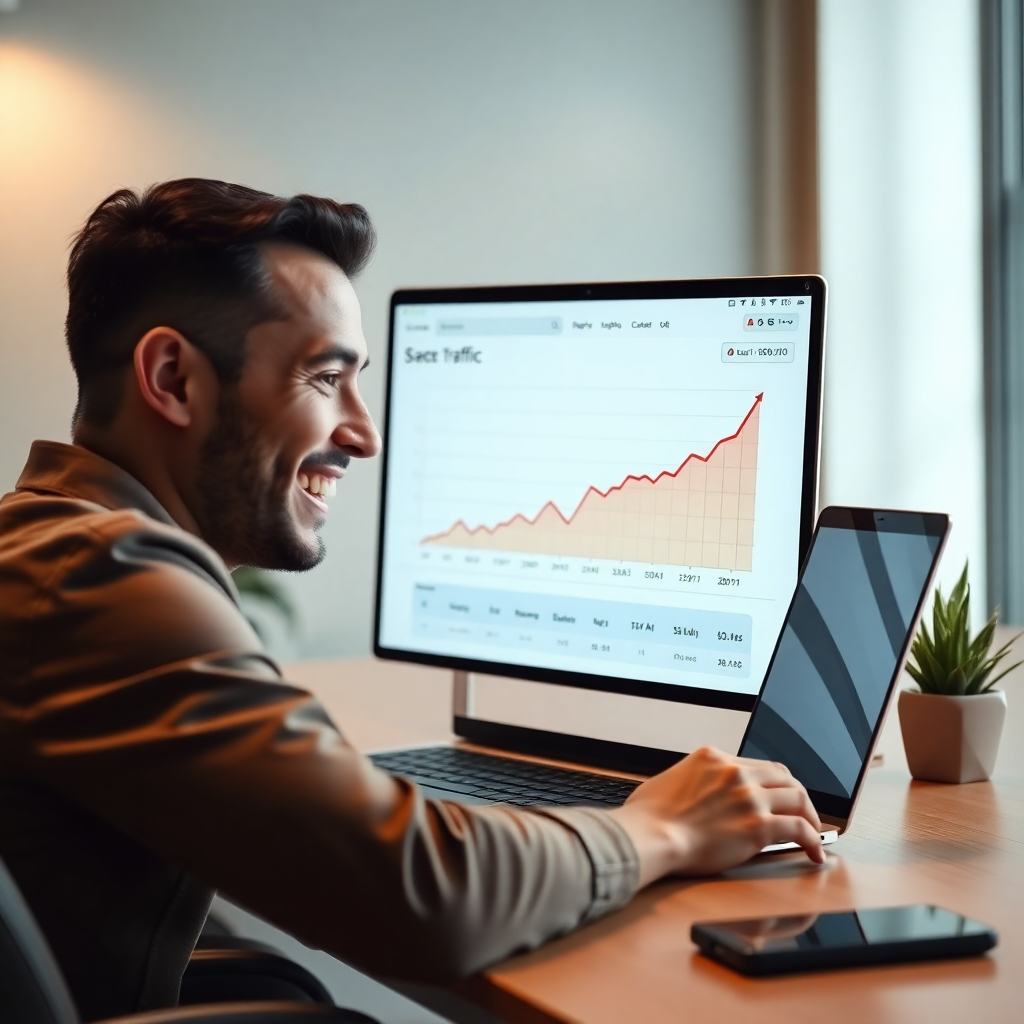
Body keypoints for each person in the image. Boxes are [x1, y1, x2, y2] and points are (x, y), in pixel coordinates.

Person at [0, 179, 824, 1022]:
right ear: (173, 378)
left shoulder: (48, 547)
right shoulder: (97, 578)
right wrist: (663, 829)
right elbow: (422, 892)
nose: (364, 434)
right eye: (325, 377)